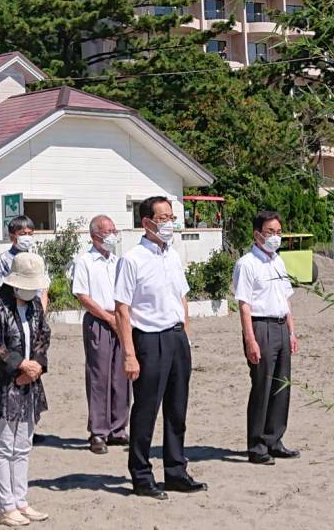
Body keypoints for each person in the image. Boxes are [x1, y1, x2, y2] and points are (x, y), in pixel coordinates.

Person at [115, 196, 206, 499]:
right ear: (147, 222)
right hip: (149, 340)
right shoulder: (132, 259)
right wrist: (129, 353)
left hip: (176, 337)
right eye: (163, 218)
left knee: (177, 408)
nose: (169, 223)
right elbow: (122, 309)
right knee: (146, 410)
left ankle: (176, 471)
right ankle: (141, 475)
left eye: (171, 217)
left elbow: (182, 296)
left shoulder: (172, 256)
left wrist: (186, 333)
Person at [0, 252, 52, 527]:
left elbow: (43, 335)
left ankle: (21, 501)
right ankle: (5, 507)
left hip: (30, 382)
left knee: (24, 445)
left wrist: (37, 366)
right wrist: (19, 366)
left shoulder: (35, 306)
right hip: (0, 384)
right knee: (3, 446)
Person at [232, 210, 300, 465]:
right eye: (270, 232)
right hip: (261, 327)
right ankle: (257, 444)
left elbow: (286, 299)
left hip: (281, 325)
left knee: (282, 386)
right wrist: (250, 339)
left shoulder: (278, 262)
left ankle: (274, 439)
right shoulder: (246, 264)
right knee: (262, 386)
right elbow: (244, 304)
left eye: (278, 232)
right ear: (257, 234)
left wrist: (292, 331)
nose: (275, 237)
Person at [72, 214, 127, 455]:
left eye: (114, 230)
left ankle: (118, 427)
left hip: (121, 319)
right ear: (95, 235)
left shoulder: (118, 261)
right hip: (99, 321)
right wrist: (108, 318)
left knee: (121, 374)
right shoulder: (85, 261)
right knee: (99, 376)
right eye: (108, 231)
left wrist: (121, 318)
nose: (113, 235)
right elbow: (83, 296)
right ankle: (98, 430)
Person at [0, 215, 48, 311]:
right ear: (12, 235)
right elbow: (3, 288)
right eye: (22, 234)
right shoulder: (3, 259)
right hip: (13, 310)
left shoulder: (36, 259)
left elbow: (43, 289)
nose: (27, 237)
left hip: (35, 310)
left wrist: (41, 312)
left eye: (30, 234)